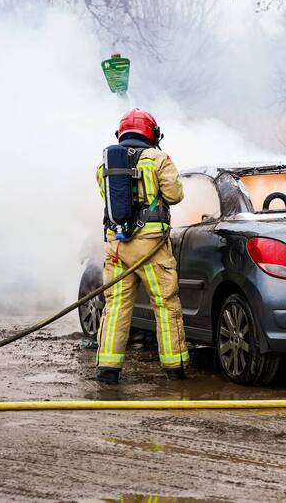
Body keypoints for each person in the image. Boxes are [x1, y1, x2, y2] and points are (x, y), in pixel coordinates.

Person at [95, 108, 188, 384]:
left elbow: (108, 198)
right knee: (165, 305)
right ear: (153, 133)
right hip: (151, 247)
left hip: (117, 247)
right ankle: (174, 368)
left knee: (115, 306)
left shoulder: (104, 164)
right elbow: (175, 195)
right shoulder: (158, 159)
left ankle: (108, 368)